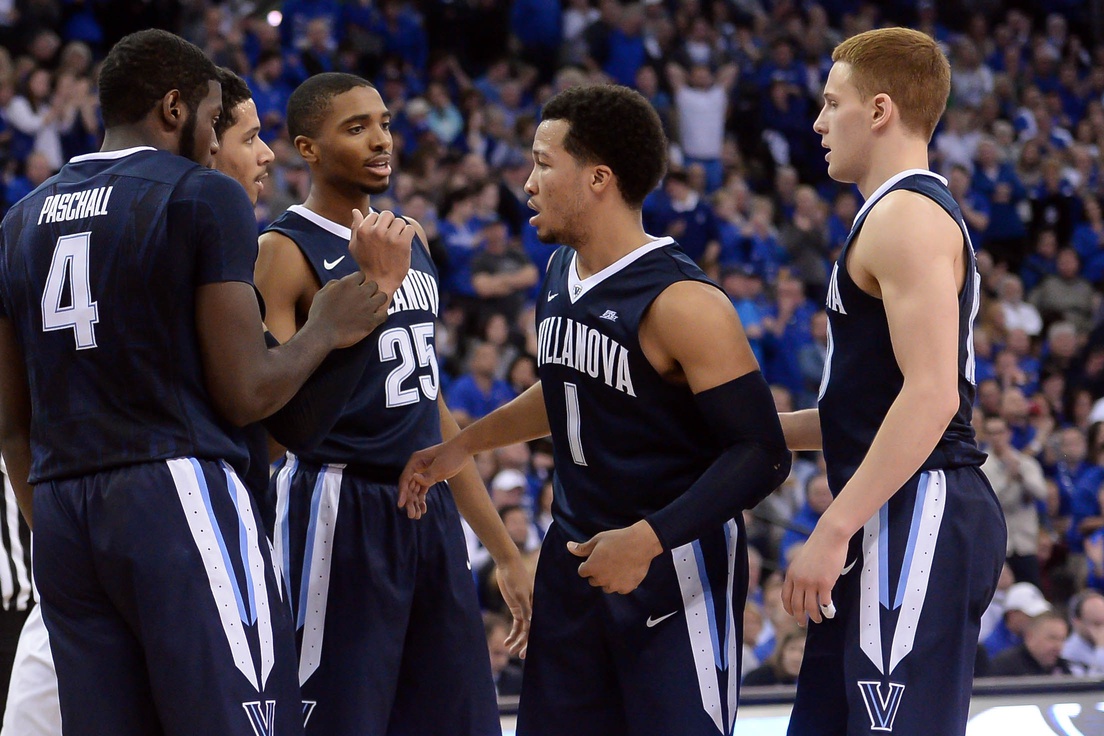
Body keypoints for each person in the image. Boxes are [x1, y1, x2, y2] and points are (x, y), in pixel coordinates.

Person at [0, 30, 399, 736]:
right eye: (216, 122)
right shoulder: (200, 195)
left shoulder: (18, 220)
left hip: (60, 511)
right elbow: (248, 393)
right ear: (176, 108)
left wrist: (60, 526)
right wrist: (325, 327)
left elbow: (10, 423)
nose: (218, 145)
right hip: (175, 493)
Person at [400, 84, 790, 735]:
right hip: (575, 558)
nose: (527, 183)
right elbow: (566, 390)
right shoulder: (559, 272)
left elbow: (763, 454)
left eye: (543, 164)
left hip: (672, 567)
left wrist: (648, 539)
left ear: (599, 179)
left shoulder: (684, 301)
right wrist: (465, 445)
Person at [253, 72, 533, 736]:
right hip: (335, 504)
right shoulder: (282, 252)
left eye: (382, 122)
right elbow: (272, 413)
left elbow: (427, 401)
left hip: (426, 506)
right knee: (339, 721)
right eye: (356, 128)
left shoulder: (413, 238)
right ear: (307, 148)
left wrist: (504, 550)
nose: (380, 139)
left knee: (463, 719)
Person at [777, 28, 1006, 736]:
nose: (817, 122)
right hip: (894, 507)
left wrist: (834, 525)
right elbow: (862, 412)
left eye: (830, 102)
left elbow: (933, 396)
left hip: (919, 510)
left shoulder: (905, 215)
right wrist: (735, 433)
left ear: (878, 111)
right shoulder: (890, 214)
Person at [987, 611, 1072, 676]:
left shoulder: (1061, 666)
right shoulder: (1004, 666)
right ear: (1030, 636)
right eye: (1052, 638)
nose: (1058, 646)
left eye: (1062, 640)